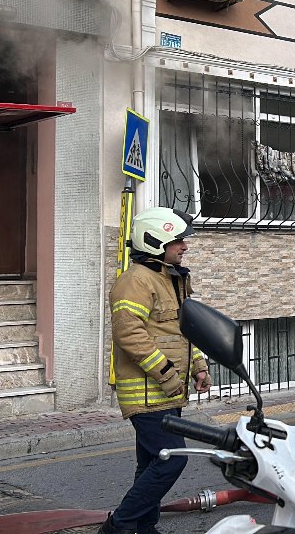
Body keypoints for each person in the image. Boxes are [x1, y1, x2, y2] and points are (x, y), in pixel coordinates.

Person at [100, 207, 211, 534]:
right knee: (173, 459)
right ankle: (118, 526)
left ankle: (142, 527)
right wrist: (166, 372)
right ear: (155, 242)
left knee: (151, 462)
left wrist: (198, 366)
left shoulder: (173, 280)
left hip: (168, 392)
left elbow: (186, 329)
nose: (184, 247)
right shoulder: (135, 281)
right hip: (148, 394)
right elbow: (129, 334)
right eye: (177, 241)